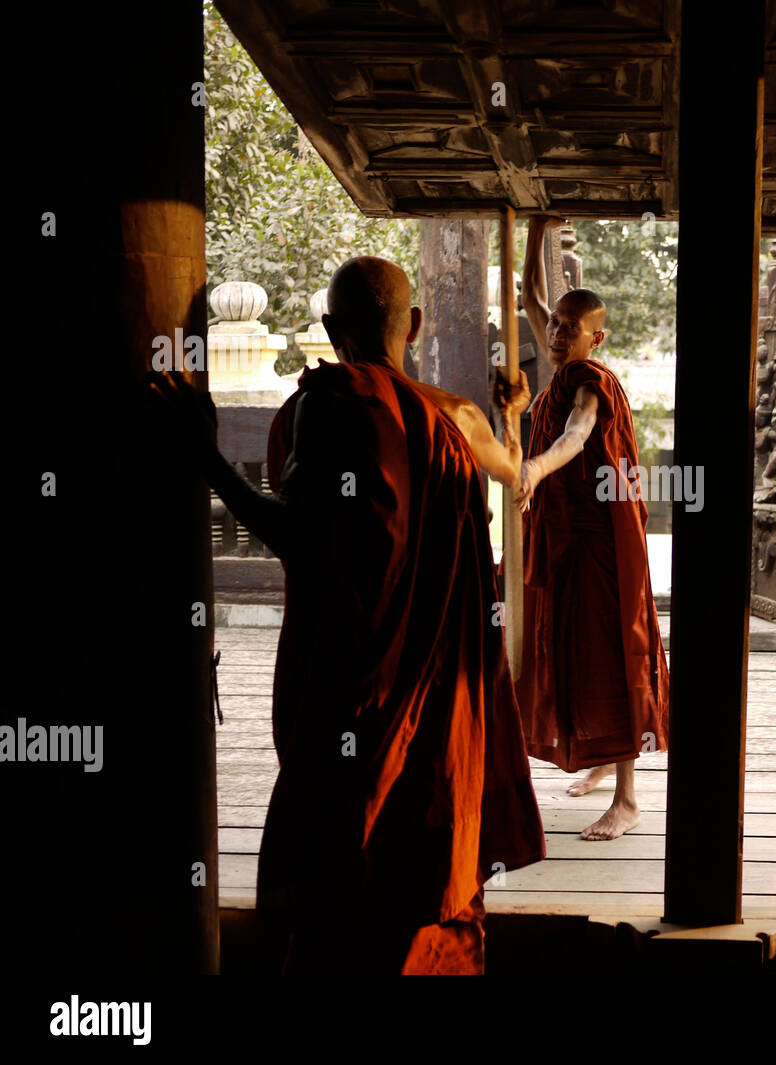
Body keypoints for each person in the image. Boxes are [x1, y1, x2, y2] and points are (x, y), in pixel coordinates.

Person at [148, 256, 545, 973]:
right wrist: (511, 413)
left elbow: (298, 535)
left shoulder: (328, 405)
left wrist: (206, 458)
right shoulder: (453, 416)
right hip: (440, 712)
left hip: (352, 707)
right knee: (429, 889)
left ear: (331, 330)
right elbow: (517, 473)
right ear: (414, 323)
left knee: (344, 904)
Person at [514, 215, 669, 841]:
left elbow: (578, 435)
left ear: (594, 339)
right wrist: (534, 230)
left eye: (569, 328)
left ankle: (628, 797)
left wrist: (535, 466)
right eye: (554, 324)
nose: (554, 332)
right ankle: (602, 757)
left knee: (612, 649)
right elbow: (529, 294)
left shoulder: (588, 380)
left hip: (603, 542)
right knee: (572, 645)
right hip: (566, 538)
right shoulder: (557, 354)